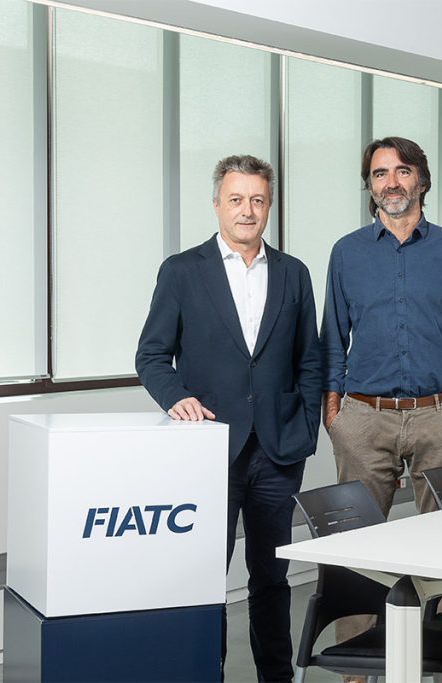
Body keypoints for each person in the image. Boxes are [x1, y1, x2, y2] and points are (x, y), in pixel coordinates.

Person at [136, 154, 320, 682]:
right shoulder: (182, 271)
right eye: (236, 199)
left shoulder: (293, 273)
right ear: (217, 204)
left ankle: (276, 678)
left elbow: (309, 360)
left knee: (272, 578)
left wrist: (306, 429)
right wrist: (176, 398)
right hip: (210, 447)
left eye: (257, 200)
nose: (247, 210)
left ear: (269, 206)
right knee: (205, 580)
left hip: (279, 451)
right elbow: (151, 355)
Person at [320, 137, 442, 679]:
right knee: (356, 547)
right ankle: (357, 667)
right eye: (379, 173)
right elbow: (332, 340)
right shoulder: (347, 253)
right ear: (369, 185)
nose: (391, 182)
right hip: (362, 417)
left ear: (421, 179)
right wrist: (334, 415)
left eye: (401, 171)